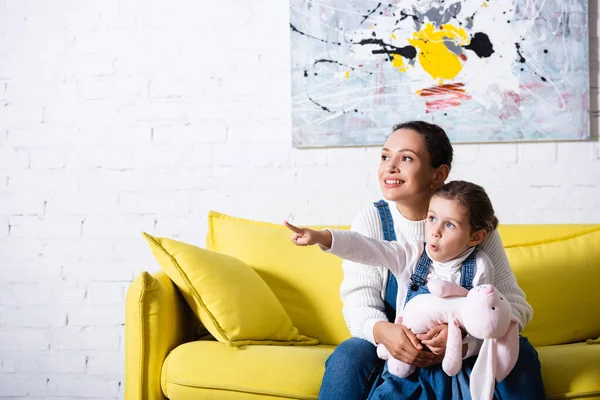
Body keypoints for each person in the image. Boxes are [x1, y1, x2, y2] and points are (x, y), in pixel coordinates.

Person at [294, 121, 544, 399]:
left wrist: (464, 341)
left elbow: (515, 307)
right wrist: (384, 332)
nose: (390, 167)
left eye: (407, 158)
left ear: (438, 175)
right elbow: (358, 302)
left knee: (522, 354)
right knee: (348, 357)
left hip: (459, 339)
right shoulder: (374, 221)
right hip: (392, 339)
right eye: (385, 156)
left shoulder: (472, 224)